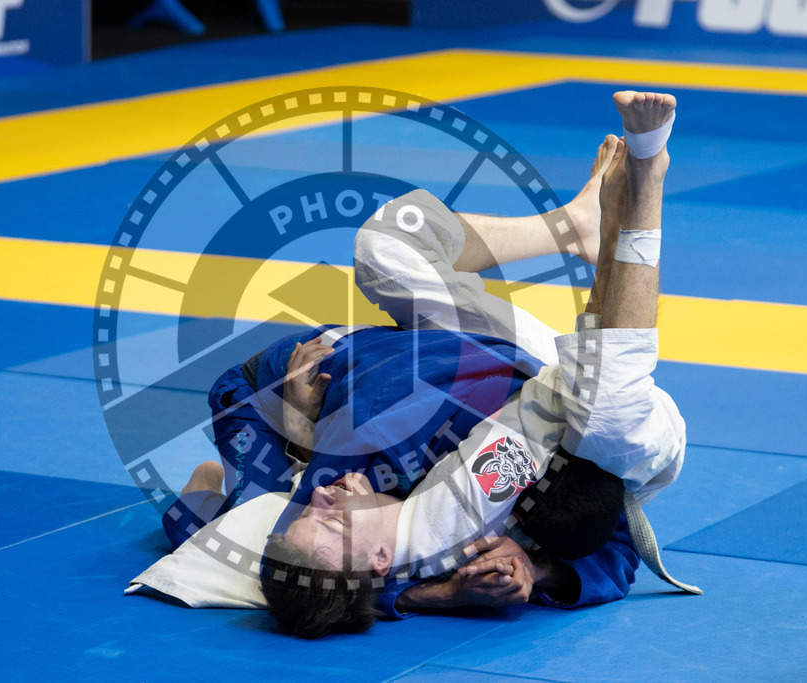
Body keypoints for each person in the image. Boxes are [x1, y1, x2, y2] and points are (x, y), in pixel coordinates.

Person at [259, 91, 690, 637]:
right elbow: (614, 549)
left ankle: (575, 223)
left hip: (513, 362)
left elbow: (230, 517)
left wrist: (297, 428)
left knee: (386, 248)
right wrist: (536, 570)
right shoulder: (465, 554)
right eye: (330, 523)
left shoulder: (328, 488)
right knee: (605, 419)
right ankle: (648, 179)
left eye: (306, 512)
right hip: (615, 432)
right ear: (380, 560)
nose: (318, 498)